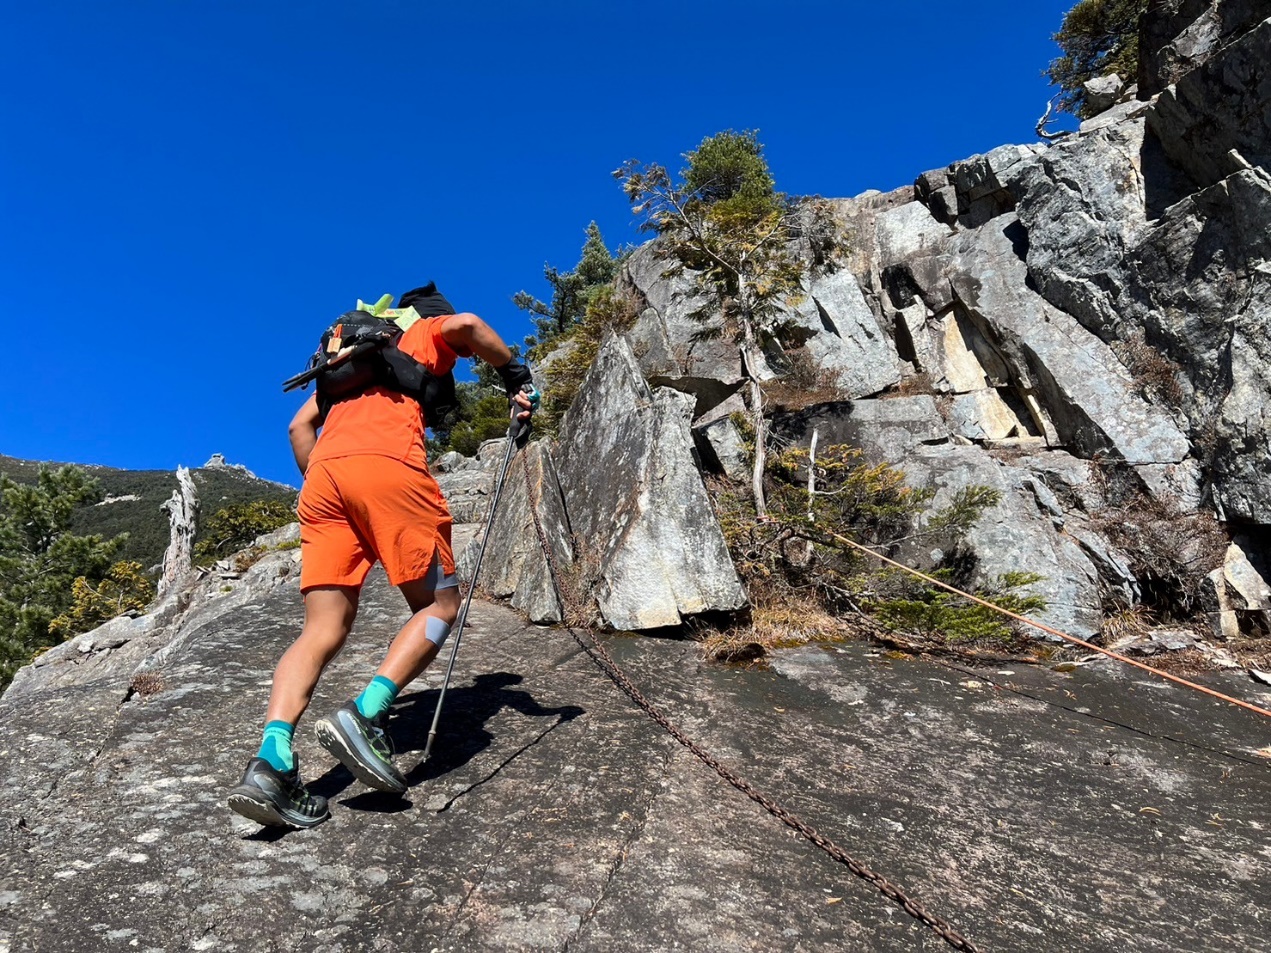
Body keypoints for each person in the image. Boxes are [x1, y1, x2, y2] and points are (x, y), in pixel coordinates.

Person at [227, 284, 537, 828]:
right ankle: (366, 714)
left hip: (323, 482)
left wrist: (328, 489)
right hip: (388, 467)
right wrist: (515, 374)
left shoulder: (344, 367)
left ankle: (271, 764)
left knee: (320, 630)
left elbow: (299, 426)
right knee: (439, 606)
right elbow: (467, 326)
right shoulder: (421, 333)